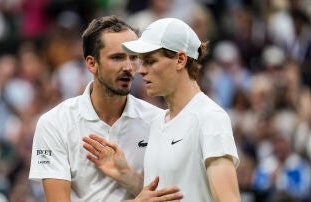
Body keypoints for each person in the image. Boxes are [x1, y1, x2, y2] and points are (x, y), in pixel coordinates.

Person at [82, 18, 241, 202]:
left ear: (180, 60)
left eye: (150, 61)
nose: (140, 70)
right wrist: (125, 174)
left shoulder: (210, 117)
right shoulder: (158, 121)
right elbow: (162, 194)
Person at [28, 15, 183, 201]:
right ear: (92, 64)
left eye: (134, 58)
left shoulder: (161, 121)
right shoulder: (54, 123)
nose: (128, 67)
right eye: (117, 58)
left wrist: (127, 175)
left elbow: (174, 198)